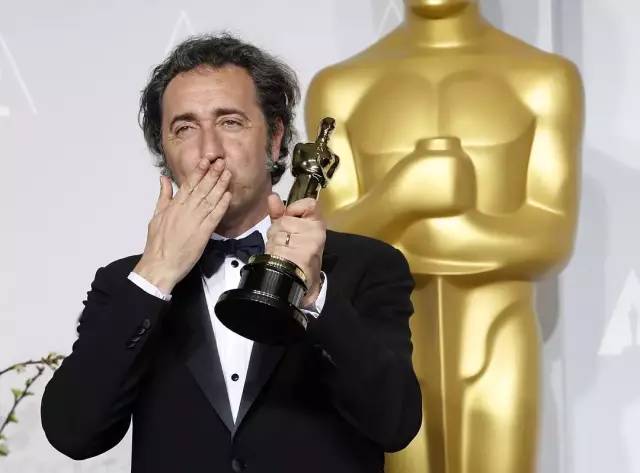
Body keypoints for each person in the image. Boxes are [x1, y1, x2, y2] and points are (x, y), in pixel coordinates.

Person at [40, 34, 422, 473]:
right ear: (164, 152)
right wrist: (156, 275)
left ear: (275, 140)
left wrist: (314, 294)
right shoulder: (125, 284)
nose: (210, 151)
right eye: (185, 128)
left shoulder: (366, 266)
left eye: (230, 122)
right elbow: (73, 433)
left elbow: (396, 424)